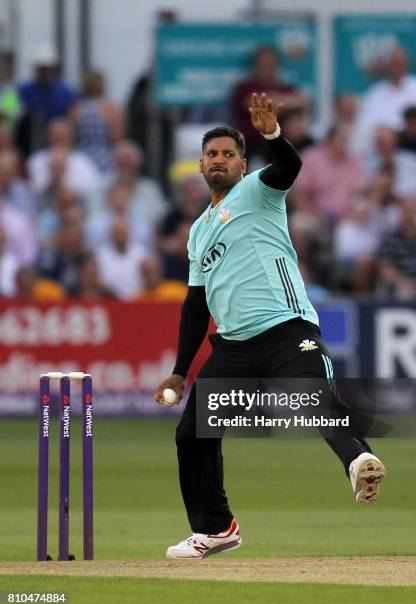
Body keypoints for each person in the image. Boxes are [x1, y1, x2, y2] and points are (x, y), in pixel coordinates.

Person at [154, 93, 386, 560]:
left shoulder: (259, 189)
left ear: (242, 164)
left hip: (285, 328)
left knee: (314, 398)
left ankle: (358, 461)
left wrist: (272, 136)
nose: (218, 160)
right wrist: (181, 370)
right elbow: (196, 306)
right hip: (235, 349)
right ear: (201, 166)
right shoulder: (198, 232)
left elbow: (289, 167)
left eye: (228, 154)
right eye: (211, 154)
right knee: (191, 434)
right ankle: (216, 528)